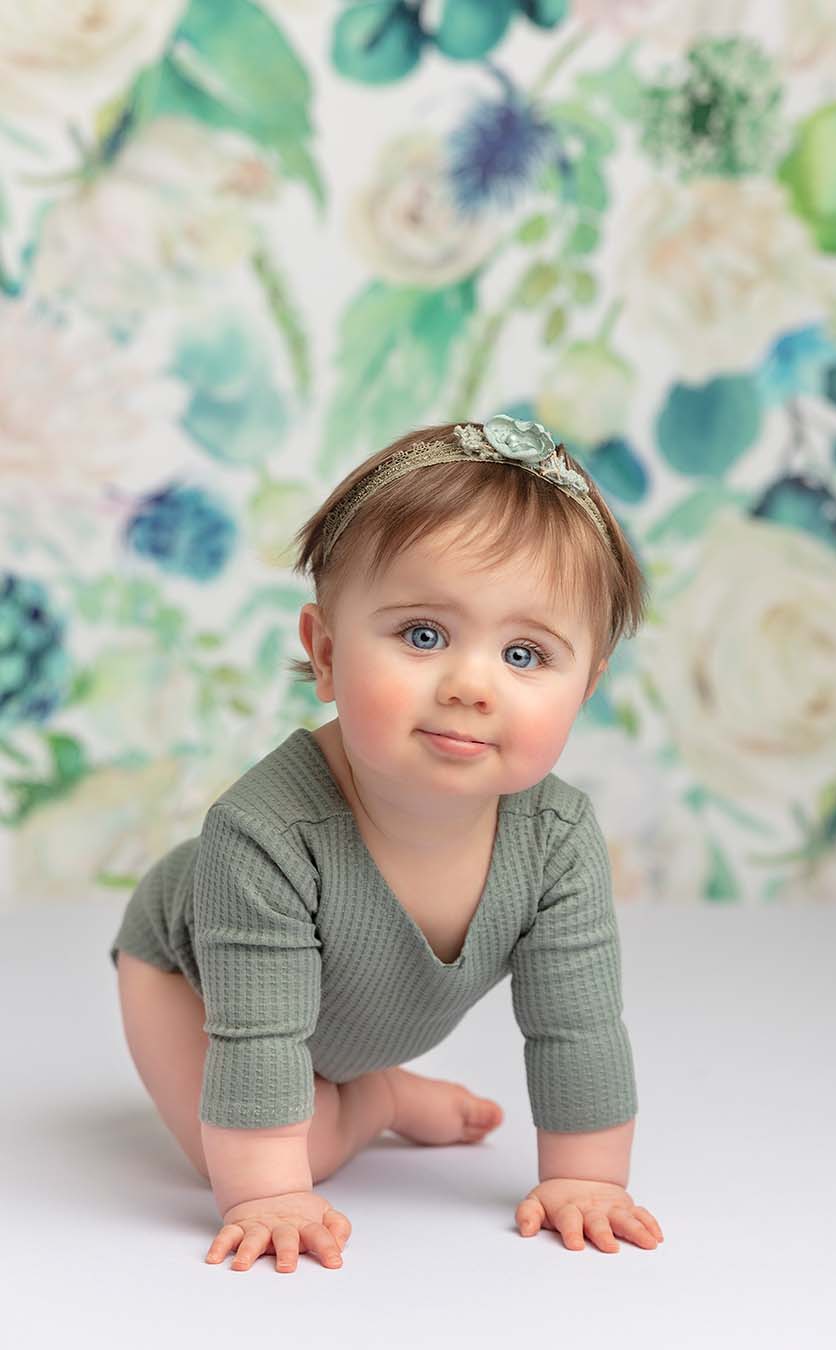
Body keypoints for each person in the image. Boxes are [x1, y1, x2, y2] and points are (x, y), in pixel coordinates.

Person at [110, 414, 665, 1274]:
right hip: (187, 976)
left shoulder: (556, 841)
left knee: (309, 1112)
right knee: (295, 1151)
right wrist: (270, 1195)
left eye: (525, 653)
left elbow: (578, 1027)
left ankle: (368, 1091)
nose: (471, 685)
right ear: (326, 653)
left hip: (341, 1021)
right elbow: (258, 1043)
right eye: (423, 635)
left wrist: (587, 1180)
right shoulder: (266, 834)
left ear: (585, 688)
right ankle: (374, 1104)